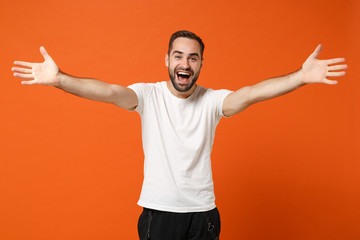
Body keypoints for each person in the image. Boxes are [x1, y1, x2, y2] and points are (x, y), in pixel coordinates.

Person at [12, 30, 347, 240]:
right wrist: (60, 80)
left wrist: (300, 77)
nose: (184, 62)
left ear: (200, 64)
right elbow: (110, 92)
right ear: (167, 60)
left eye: (193, 57)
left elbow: (251, 93)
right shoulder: (147, 95)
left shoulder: (213, 101)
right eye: (178, 55)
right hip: (159, 214)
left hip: (204, 215)